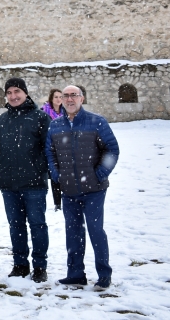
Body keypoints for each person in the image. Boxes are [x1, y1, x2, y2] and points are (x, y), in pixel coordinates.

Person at [47, 85, 120, 291]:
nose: (69, 99)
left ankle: (104, 274)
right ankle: (76, 274)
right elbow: (50, 154)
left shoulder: (97, 122)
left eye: (74, 95)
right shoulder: (55, 126)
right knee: (73, 233)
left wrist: (99, 174)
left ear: (82, 98)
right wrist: (57, 175)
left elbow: (112, 150)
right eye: (66, 96)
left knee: (96, 231)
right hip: (69, 190)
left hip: (94, 190)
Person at [0, 77, 51, 283]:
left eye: (17, 92)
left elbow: (48, 149)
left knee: (37, 225)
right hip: (9, 184)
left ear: (25, 93)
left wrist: (39, 169)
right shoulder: (1, 121)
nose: (13, 96)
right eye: (9, 93)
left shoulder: (40, 118)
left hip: (34, 184)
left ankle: (40, 266)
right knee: (15, 226)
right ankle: (20, 264)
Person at [41, 89, 65, 211]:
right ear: (51, 98)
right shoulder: (44, 112)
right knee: (54, 175)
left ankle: (66, 199)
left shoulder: (65, 111)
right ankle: (57, 202)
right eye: (56, 97)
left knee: (65, 174)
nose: (58, 99)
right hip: (50, 148)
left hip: (64, 147)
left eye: (61, 97)